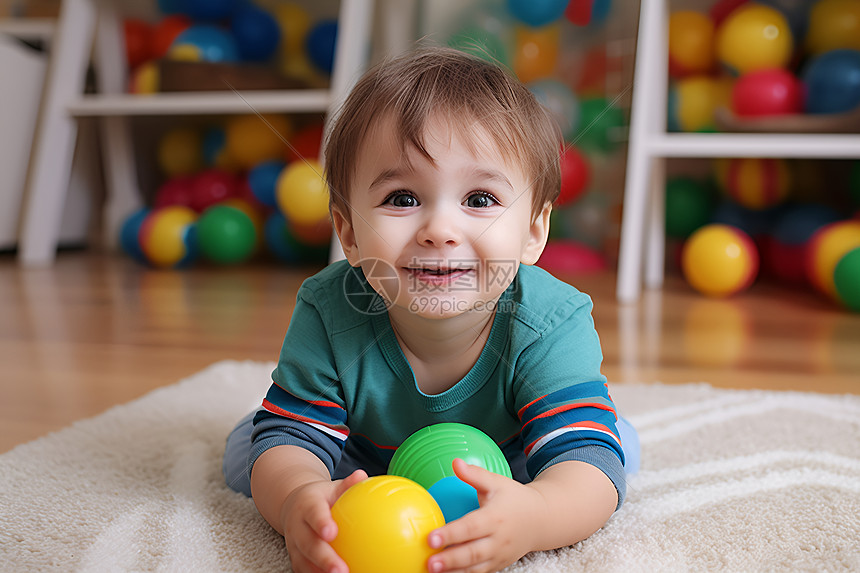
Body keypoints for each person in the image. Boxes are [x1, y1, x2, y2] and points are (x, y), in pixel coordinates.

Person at [223, 46, 637, 573]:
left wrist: (535, 514)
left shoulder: (551, 320)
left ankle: (579, 451)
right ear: (347, 232)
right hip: (362, 468)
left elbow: (582, 467)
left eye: (480, 200)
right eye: (402, 198)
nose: (440, 231)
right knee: (251, 454)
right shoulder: (329, 310)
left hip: (512, 460)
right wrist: (299, 501)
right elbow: (295, 443)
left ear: (534, 232)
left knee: (604, 459)